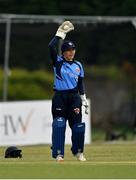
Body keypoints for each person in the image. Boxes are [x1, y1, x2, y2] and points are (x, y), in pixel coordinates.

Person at [48, 21, 88, 162]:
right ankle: (58, 153)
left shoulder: (78, 65)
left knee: (78, 126)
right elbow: (51, 47)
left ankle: (78, 152)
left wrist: (83, 98)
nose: (71, 53)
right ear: (63, 52)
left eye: (73, 50)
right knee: (59, 124)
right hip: (60, 96)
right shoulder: (58, 63)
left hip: (74, 97)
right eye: (68, 50)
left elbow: (81, 82)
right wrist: (60, 34)